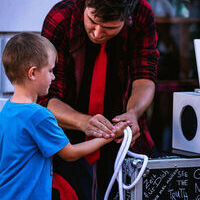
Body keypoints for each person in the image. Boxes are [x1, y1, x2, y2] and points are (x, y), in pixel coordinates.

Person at [38, 0, 159, 199]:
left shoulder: (141, 13)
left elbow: (145, 75)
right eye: (92, 21)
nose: (97, 33)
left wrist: (133, 113)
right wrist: (83, 121)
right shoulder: (61, 17)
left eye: (109, 28)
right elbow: (45, 96)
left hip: (125, 142)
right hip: (65, 140)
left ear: (128, 17)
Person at [0, 32, 127, 200]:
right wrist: (109, 136)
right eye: (51, 70)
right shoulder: (39, 115)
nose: (53, 77)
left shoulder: (8, 109)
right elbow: (70, 153)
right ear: (32, 73)